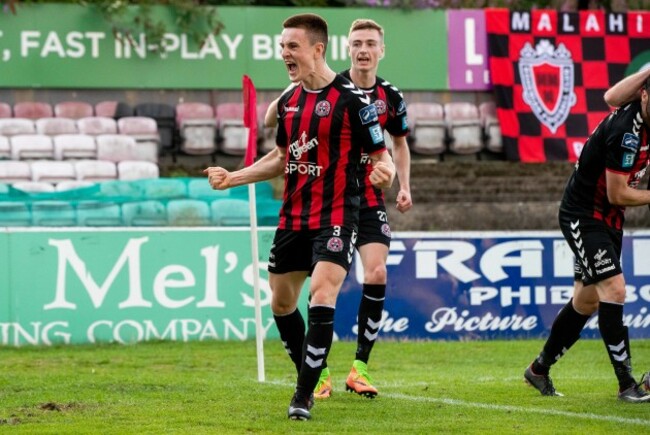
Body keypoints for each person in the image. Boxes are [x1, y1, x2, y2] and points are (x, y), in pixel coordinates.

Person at [204, 13, 396, 420]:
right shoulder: (290, 102)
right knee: (281, 301)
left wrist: (387, 173)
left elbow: (384, 157)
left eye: (292, 46)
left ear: (317, 49)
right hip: (293, 216)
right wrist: (233, 177)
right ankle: (315, 370)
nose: (284, 54)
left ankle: (303, 395)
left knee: (322, 293)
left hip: (337, 215)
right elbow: (279, 157)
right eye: (281, 47)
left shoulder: (353, 102)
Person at [265, 19, 412, 400]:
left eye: (370, 44)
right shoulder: (320, 82)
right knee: (297, 296)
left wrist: (401, 184)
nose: (363, 50)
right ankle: (319, 370)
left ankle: (360, 366)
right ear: (345, 48)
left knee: (376, 270)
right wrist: (280, 101)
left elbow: (396, 147)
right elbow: (279, 121)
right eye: (357, 43)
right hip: (329, 198)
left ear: (382, 50)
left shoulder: (389, 97)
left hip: (368, 197)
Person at [523, 67, 650, 402]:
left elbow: (610, 97)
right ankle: (627, 385)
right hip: (584, 215)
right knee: (614, 288)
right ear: (644, 94)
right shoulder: (628, 132)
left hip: (609, 218)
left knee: (587, 300)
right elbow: (618, 194)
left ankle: (538, 369)